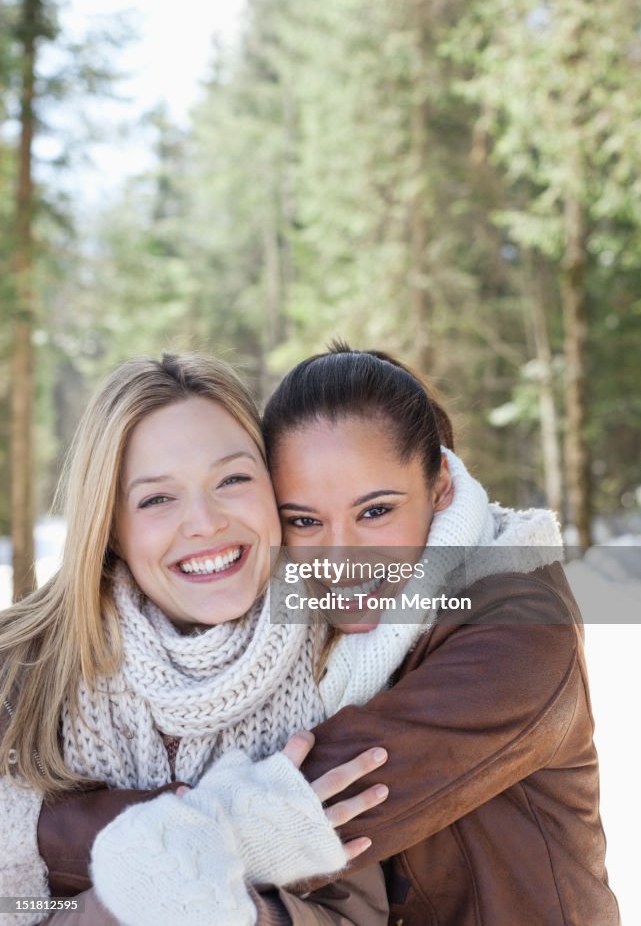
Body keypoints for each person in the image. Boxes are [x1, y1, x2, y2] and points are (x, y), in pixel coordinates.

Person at [33, 345, 621, 924]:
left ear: (440, 484)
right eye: (305, 521)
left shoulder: (516, 626)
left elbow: (307, 811)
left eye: (375, 512)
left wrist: (29, 828)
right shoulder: (321, 635)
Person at [0, 353, 391, 926]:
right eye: (157, 498)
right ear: (110, 527)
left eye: (233, 479)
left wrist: (243, 910)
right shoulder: (24, 667)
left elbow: (358, 913)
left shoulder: (346, 649)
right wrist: (139, 887)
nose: (205, 522)